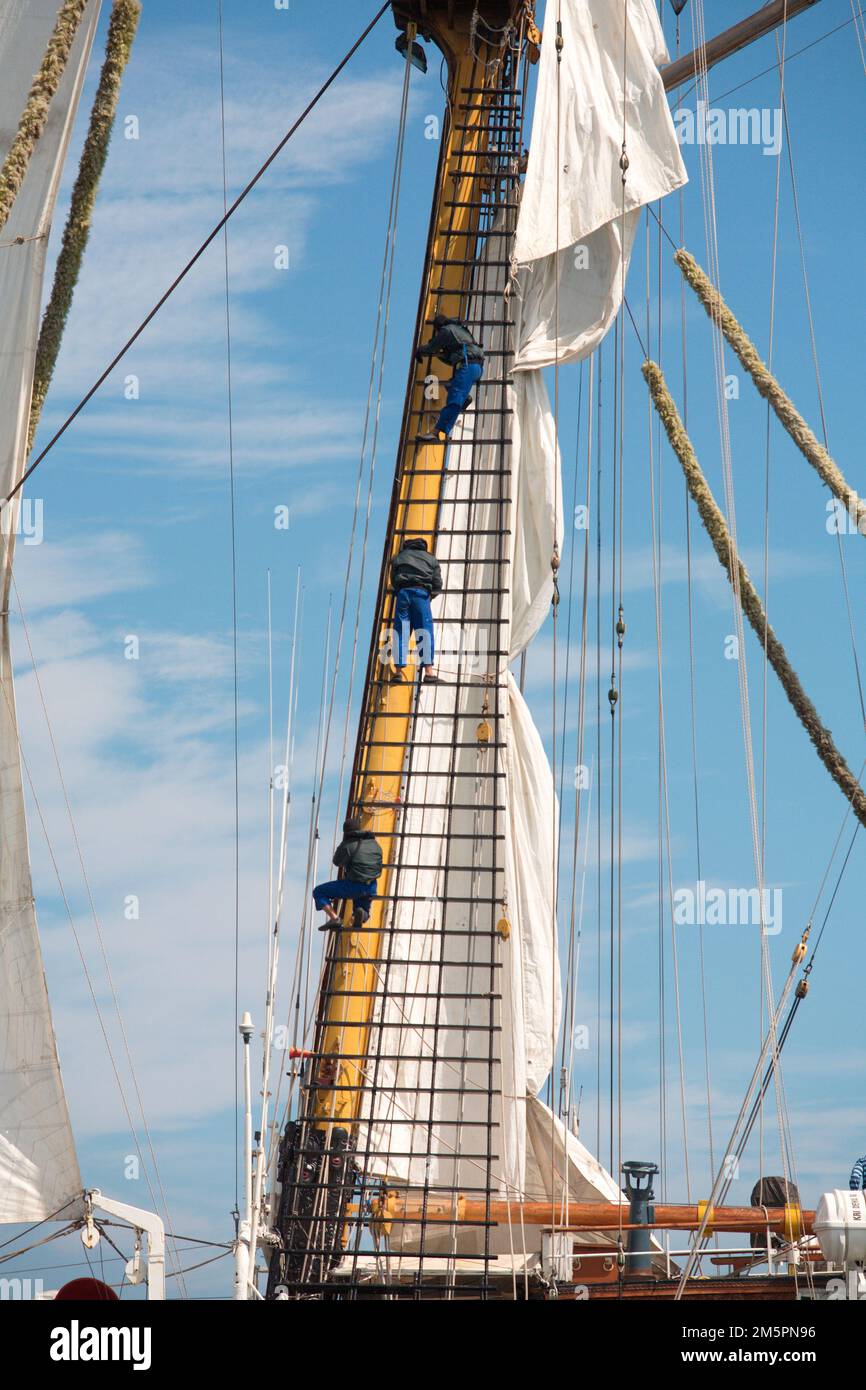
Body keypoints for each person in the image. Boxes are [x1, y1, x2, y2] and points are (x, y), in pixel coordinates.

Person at [415, 312, 484, 442]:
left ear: (438, 327)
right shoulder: (459, 331)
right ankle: (464, 400)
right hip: (477, 367)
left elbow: (432, 347)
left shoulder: (446, 331)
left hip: (467, 366)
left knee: (453, 401)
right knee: (451, 385)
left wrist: (420, 350)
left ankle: (435, 433)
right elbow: (450, 357)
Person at [313, 817, 383, 930]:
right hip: (371, 886)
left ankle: (335, 918)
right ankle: (360, 915)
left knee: (319, 892)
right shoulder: (375, 844)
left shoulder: (348, 845)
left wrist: (344, 843)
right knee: (363, 908)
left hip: (353, 885)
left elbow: (337, 862)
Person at [390, 537, 442, 683]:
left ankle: (398, 672)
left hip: (403, 594)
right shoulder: (431, 559)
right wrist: (429, 596)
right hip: (421, 594)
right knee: (424, 631)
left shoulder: (399, 557)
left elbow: (393, 580)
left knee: (401, 632)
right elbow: (437, 583)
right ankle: (429, 672)